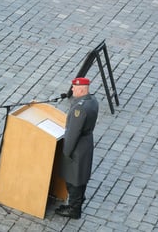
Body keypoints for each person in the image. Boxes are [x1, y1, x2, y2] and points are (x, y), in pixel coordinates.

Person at [56, 77, 98, 219]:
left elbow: (73, 133)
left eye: (74, 87)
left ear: (82, 89)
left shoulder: (79, 108)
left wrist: (66, 152)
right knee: (80, 175)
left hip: (77, 147)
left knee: (74, 179)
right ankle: (77, 201)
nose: (72, 89)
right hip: (86, 143)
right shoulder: (92, 101)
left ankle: (74, 208)